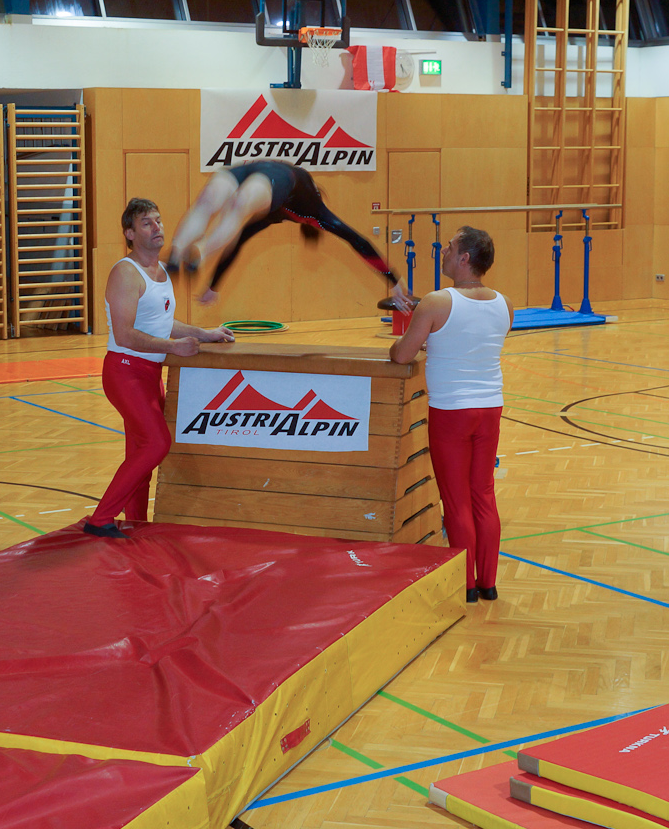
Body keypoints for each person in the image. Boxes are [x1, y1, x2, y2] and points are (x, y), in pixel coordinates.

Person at [88, 198, 235, 539]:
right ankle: (101, 518)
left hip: (149, 374)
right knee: (156, 444)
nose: (157, 228)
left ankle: (135, 523)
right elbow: (124, 335)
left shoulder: (162, 271)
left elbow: (162, 323)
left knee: (141, 452)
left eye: (158, 220)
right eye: (147, 223)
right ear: (129, 234)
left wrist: (204, 333)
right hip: (125, 371)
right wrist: (172, 347)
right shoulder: (126, 273)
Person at [389, 226, 512, 604]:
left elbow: (401, 355)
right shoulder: (505, 304)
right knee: (483, 495)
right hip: (490, 408)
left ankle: (467, 586)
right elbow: (472, 342)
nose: (442, 251)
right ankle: (488, 583)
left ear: (464, 258)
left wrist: (409, 337)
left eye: (449, 247)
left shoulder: (436, 302)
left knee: (456, 500)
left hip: (452, 412)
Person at [166, 159, 411, 309]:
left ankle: (177, 250)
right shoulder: (316, 213)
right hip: (274, 180)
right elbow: (358, 240)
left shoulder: (273, 214)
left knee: (206, 203)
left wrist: (214, 285)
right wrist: (393, 279)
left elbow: (237, 243)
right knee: (238, 210)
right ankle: (202, 251)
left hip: (244, 169)